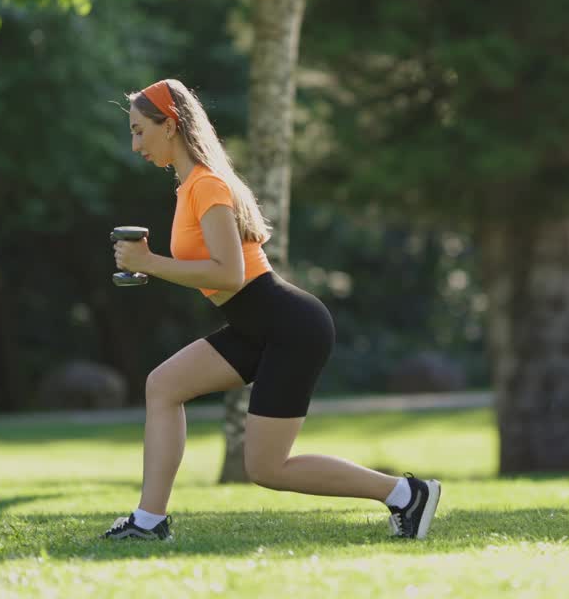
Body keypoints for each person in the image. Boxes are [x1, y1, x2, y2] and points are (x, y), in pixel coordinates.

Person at [104, 78, 442, 541]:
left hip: (289, 326)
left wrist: (151, 263)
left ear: (171, 125)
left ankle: (406, 494)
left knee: (266, 466)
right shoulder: (189, 188)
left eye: (140, 130)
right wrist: (150, 265)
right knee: (163, 386)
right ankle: (149, 521)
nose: (135, 143)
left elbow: (228, 274)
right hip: (253, 325)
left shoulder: (207, 185)